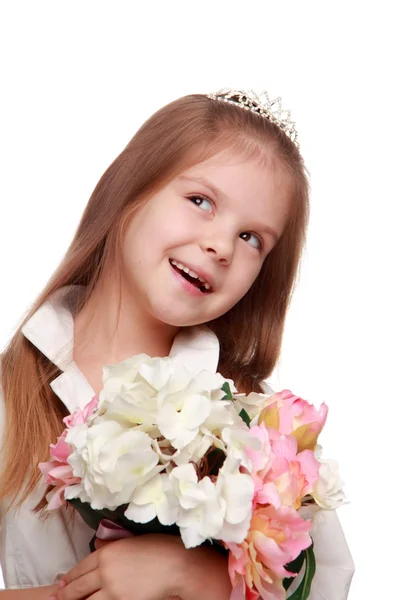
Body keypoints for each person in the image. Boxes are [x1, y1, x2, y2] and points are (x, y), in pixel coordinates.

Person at [0, 89, 354, 599]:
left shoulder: (258, 422)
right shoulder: (13, 392)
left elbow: (327, 586)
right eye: (201, 201)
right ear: (130, 190)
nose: (221, 246)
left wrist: (204, 582)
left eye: (252, 238)